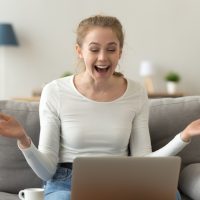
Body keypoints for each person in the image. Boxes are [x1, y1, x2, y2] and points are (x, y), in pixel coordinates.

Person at [0, 15, 200, 200]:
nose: (103, 58)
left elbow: (144, 162)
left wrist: (184, 136)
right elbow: (47, 171)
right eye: (94, 49)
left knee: (170, 194)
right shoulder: (55, 91)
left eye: (111, 49)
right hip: (66, 183)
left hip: (123, 179)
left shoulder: (136, 93)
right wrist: (23, 140)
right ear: (79, 51)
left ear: (120, 52)